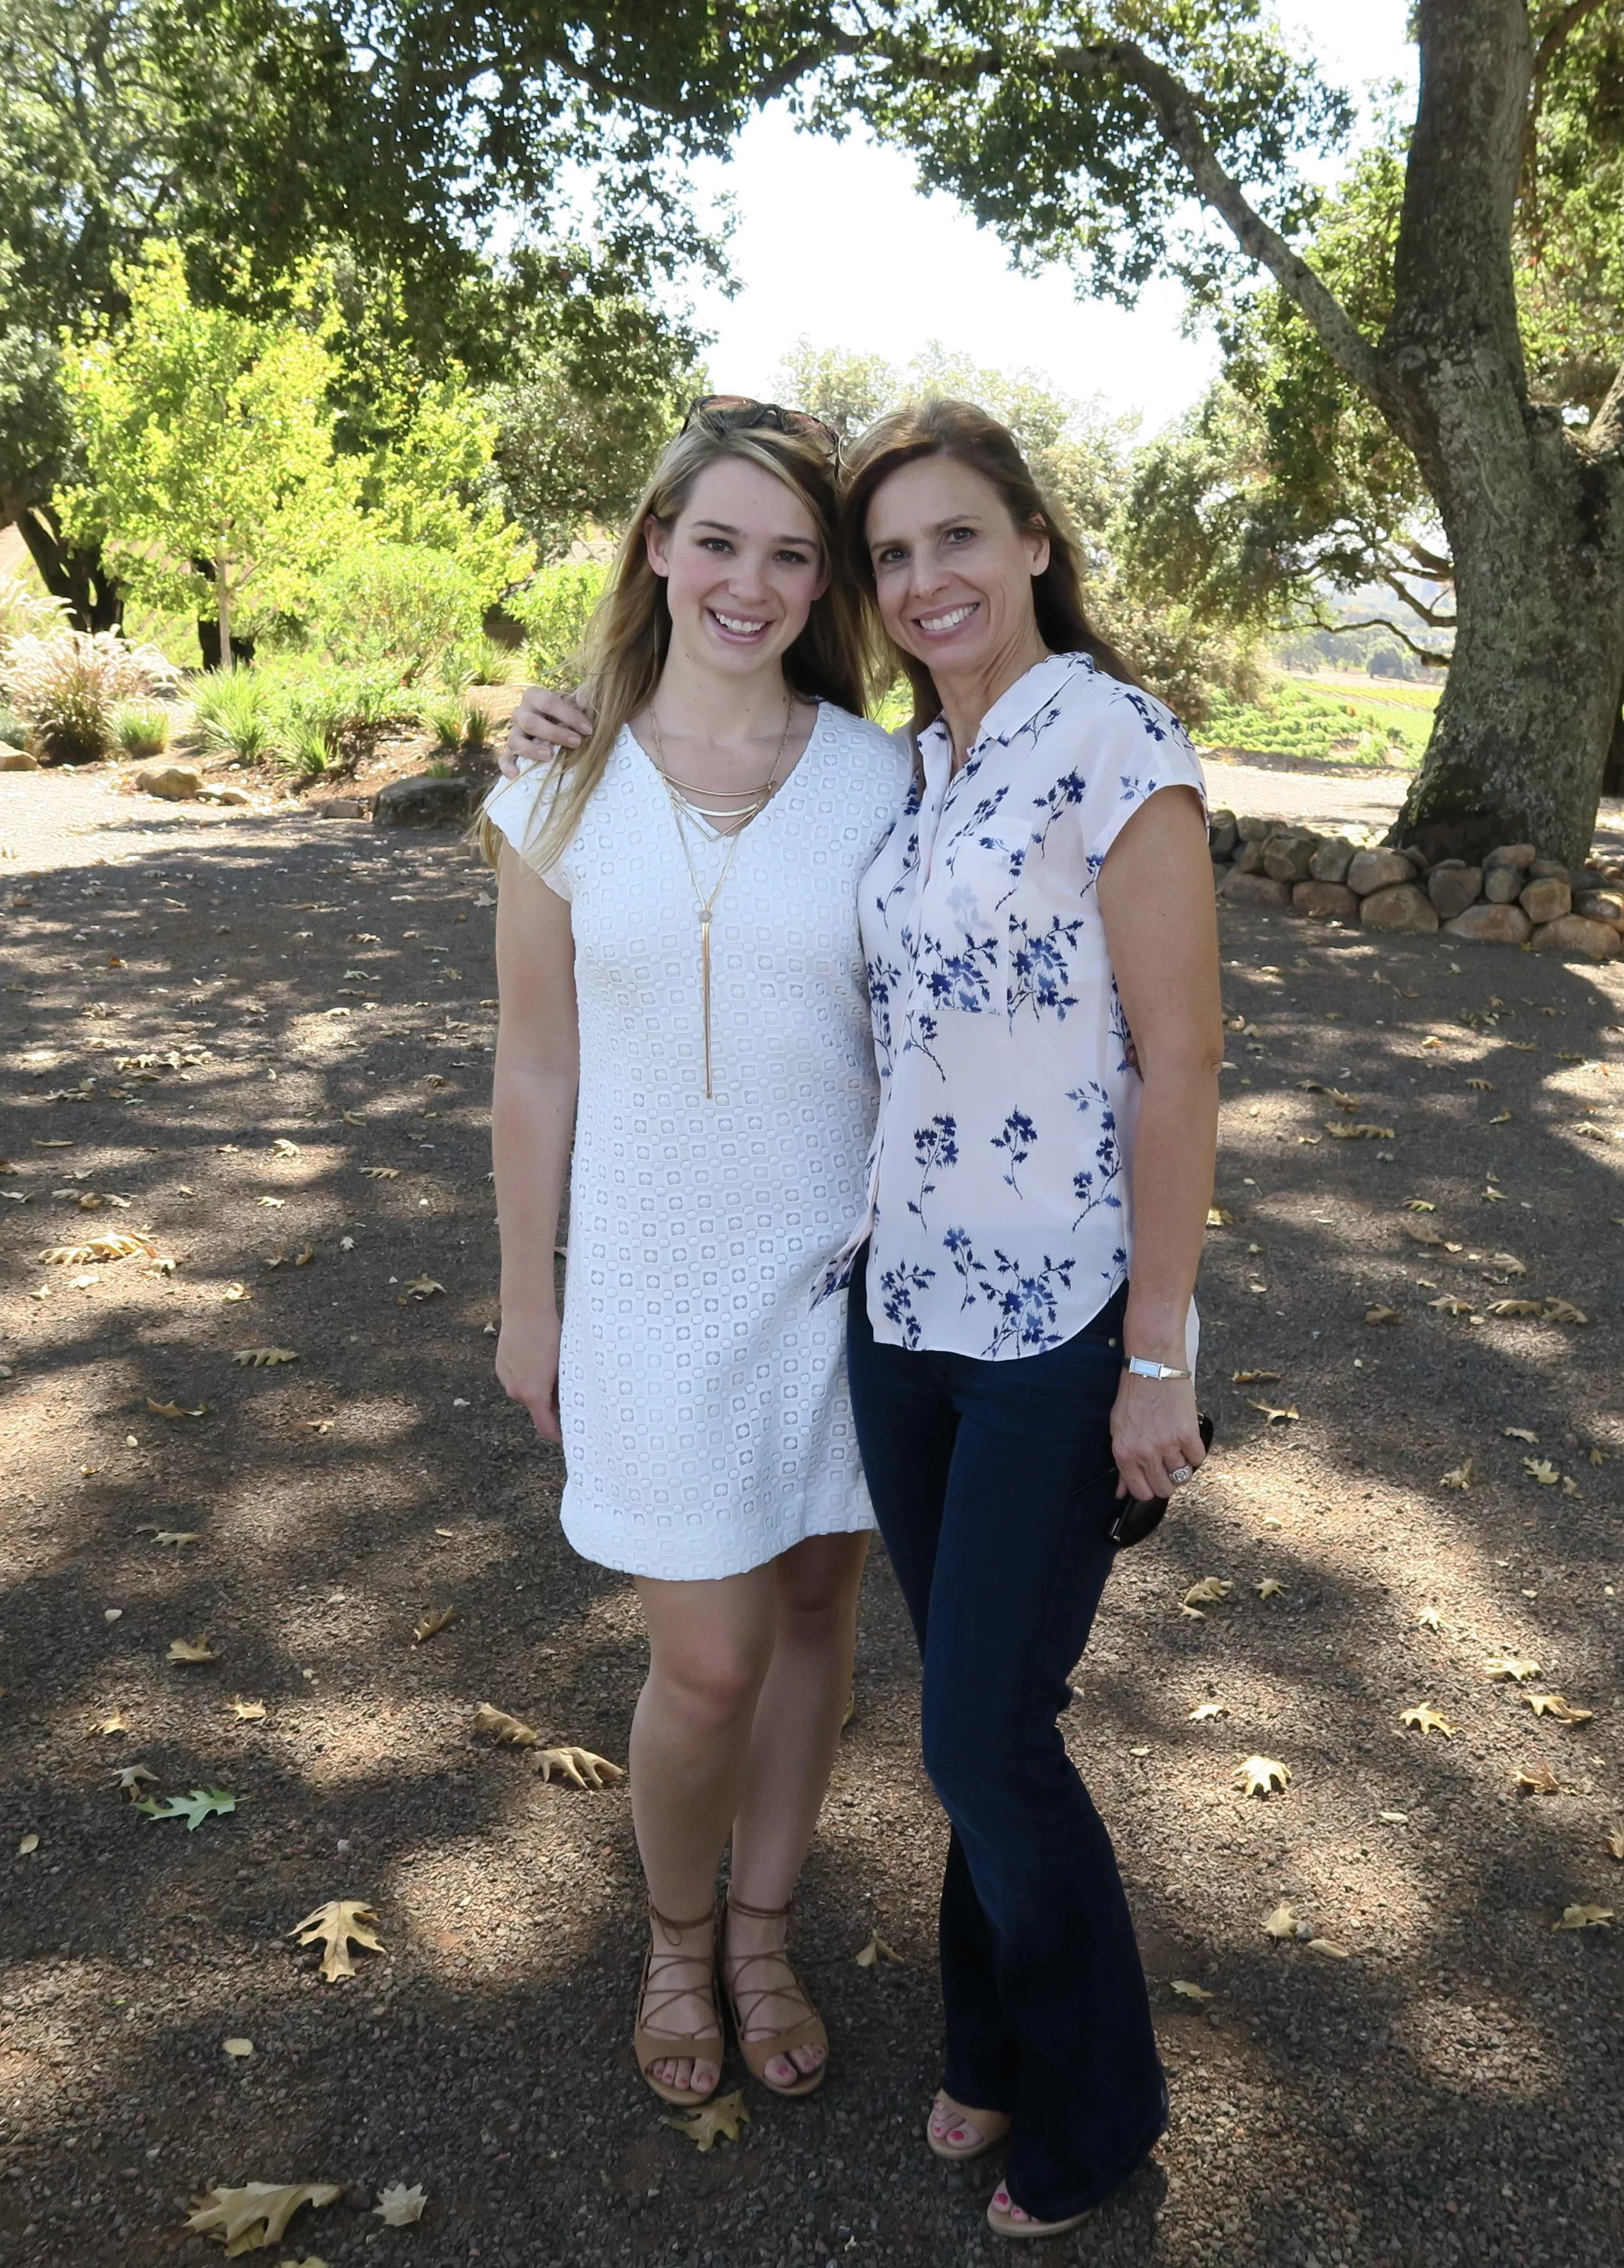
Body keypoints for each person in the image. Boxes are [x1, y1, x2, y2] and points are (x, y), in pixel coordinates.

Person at [487, 399, 910, 2109]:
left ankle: (761, 1928)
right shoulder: (557, 782)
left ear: (824, 586)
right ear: (658, 546)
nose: (750, 582)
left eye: (790, 555)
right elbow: (535, 1065)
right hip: (648, 1285)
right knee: (711, 1656)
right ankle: (673, 1938)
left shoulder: (885, 777)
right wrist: (529, 1298)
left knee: (814, 1607)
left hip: (844, 1275)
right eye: (718, 541)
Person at [831, 397, 1221, 2239]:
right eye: (892, 554)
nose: (926, 580)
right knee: (969, 1717)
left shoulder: (1112, 740)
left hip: (1061, 1323)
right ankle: (987, 2044)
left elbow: (1182, 1061)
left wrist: (1158, 1353)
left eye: (957, 538)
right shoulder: (916, 768)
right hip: (901, 1307)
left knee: (985, 1733)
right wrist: (569, 725)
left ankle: (1100, 2105)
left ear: (1036, 542)